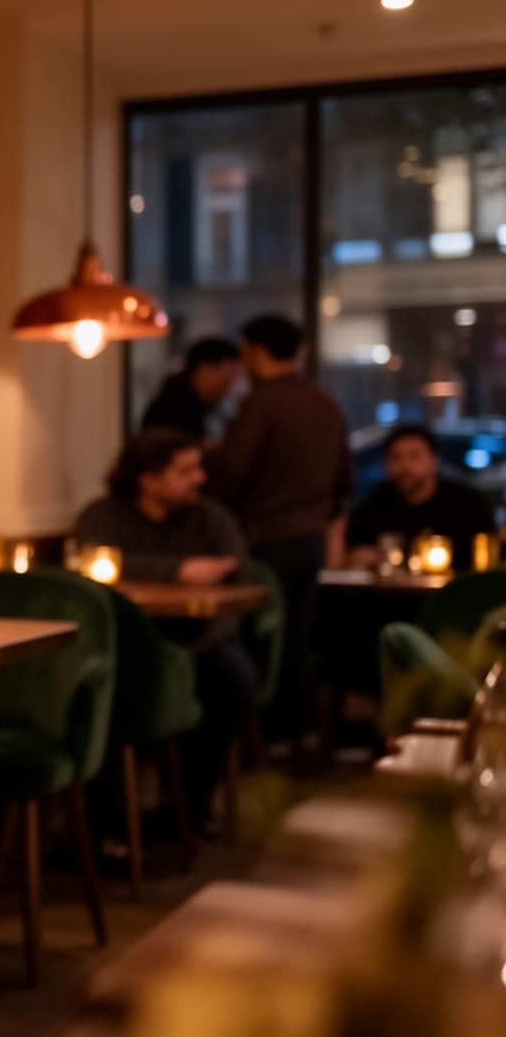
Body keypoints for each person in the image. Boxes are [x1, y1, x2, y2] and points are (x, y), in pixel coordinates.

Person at [77, 428, 259, 824]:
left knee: (234, 679)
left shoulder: (211, 518)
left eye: (198, 468)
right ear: (147, 479)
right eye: (185, 471)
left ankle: (188, 808)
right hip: (122, 643)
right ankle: (106, 823)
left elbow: (238, 580)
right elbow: (89, 565)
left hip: (199, 640)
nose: (200, 478)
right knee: (95, 687)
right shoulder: (103, 515)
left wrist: (195, 646)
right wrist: (178, 569)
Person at [212, 314, 353, 742]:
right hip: (311, 541)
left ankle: (263, 740)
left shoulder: (260, 405)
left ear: (256, 351)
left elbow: (231, 472)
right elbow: (344, 484)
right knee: (296, 639)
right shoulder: (326, 405)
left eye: (244, 353)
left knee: (264, 643)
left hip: (264, 541)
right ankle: (301, 736)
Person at [345, 424, 497, 570]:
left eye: (414, 456)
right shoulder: (372, 508)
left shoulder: (468, 505)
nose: (404, 466)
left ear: (434, 460)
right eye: (396, 457)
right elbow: (355, 553)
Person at [139, 337, 242, 439]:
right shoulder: (174, 406)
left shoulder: (212, 406)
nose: (232, 382)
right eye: (228, 376)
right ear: (204, 368)